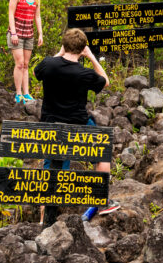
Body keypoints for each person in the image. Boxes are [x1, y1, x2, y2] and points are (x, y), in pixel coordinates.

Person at [34, 27, 120, 224]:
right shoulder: (84, 73)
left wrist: (59, 54)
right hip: (78, 125)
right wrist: (90, 57)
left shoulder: (49, 65)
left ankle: (42, 221)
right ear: (82, 49)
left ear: (64, 46)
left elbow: (37, 70)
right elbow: (105, 82)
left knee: (51, 173)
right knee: (103, 150)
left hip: (51, 127)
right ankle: (102, 201)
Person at [8, 0, 43, 103]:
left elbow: (37, 16)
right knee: (19, 63)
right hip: (17, 32)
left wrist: (40, 33)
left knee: (26, 64)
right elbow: (11, 13)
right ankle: (18, 94)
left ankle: (26, 93)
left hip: (29, 33)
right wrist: (13, 33)